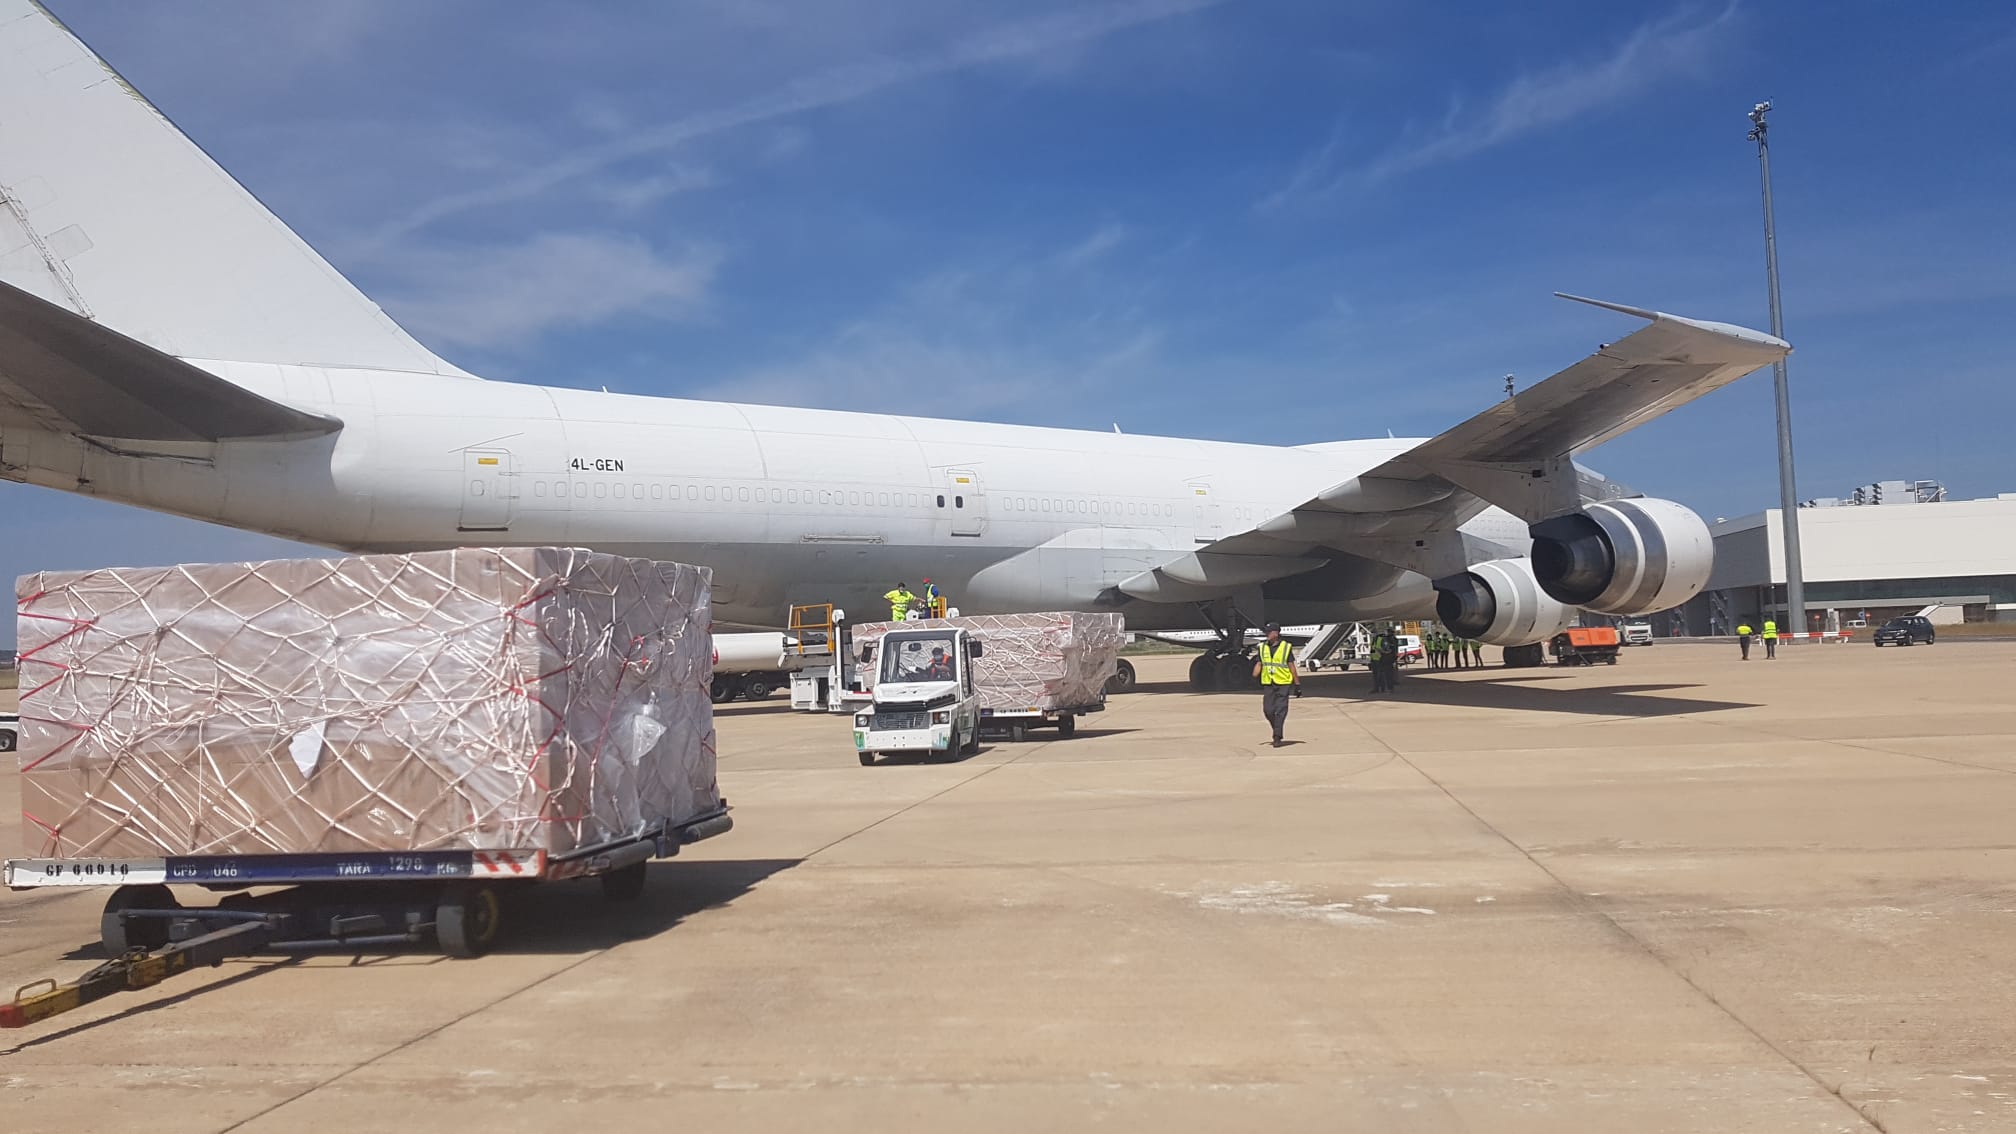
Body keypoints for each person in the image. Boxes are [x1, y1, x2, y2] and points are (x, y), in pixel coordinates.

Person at [1252, 623, 1300, 746]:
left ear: (1276, 633)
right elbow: (1259, 664)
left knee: (1280, 710)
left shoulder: (1285, 647)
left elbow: (1291, 667)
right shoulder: (1262, 647)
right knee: (1268, 710)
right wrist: (1253, 677)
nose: (1266, 634)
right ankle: (1276, 730)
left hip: (1283, 683)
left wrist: (1297, 684)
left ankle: (1277, 736)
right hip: (1268, 683)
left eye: (1269, 632)